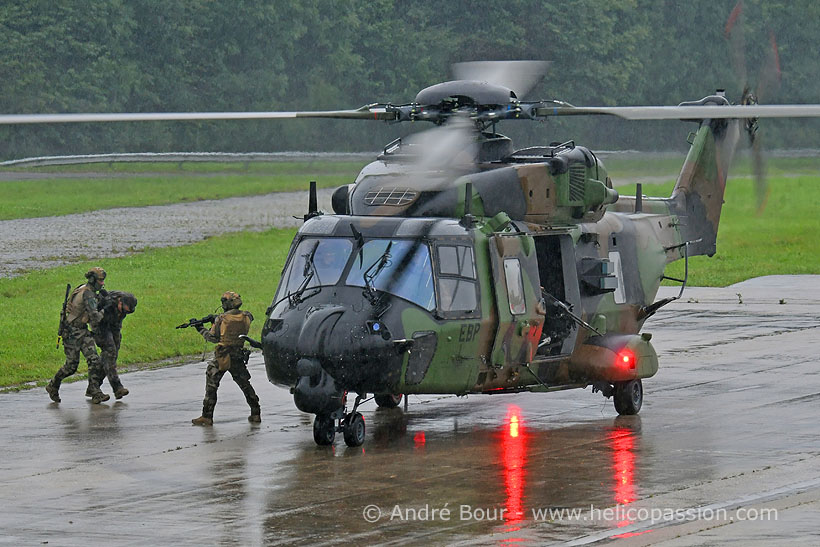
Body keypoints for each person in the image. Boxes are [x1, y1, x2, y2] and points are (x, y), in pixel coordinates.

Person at [190, 291, 260, 426]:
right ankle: (256, 412)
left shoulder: (221, 319)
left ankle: (207, 416)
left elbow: (213, 337)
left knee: (212, 384)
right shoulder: (246, 316)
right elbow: (238, 319)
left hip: (223, 356)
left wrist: (200, 328)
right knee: (245, 384)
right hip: (238, 355)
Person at [46, 267, 110, 404]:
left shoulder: (83, 288)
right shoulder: (87, 294)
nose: (102, 283)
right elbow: (95, 317)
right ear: (93, 280)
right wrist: (105, 309)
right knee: (71, 367)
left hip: (82, 331)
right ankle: (53, 385)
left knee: (95, 361)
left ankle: (94, 391)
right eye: (100, 280)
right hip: (72, 333)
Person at [88, 291, 137, 400]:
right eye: (124, 310)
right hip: (100, 326)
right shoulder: (108, 304)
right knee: (110, 352)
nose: (125, 313)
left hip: (114, 325)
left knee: (110, 357)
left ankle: (93, 386)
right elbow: (96, 319)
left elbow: (117, 322)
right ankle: (117, 387)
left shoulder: (124, 308)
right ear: (120, 302)